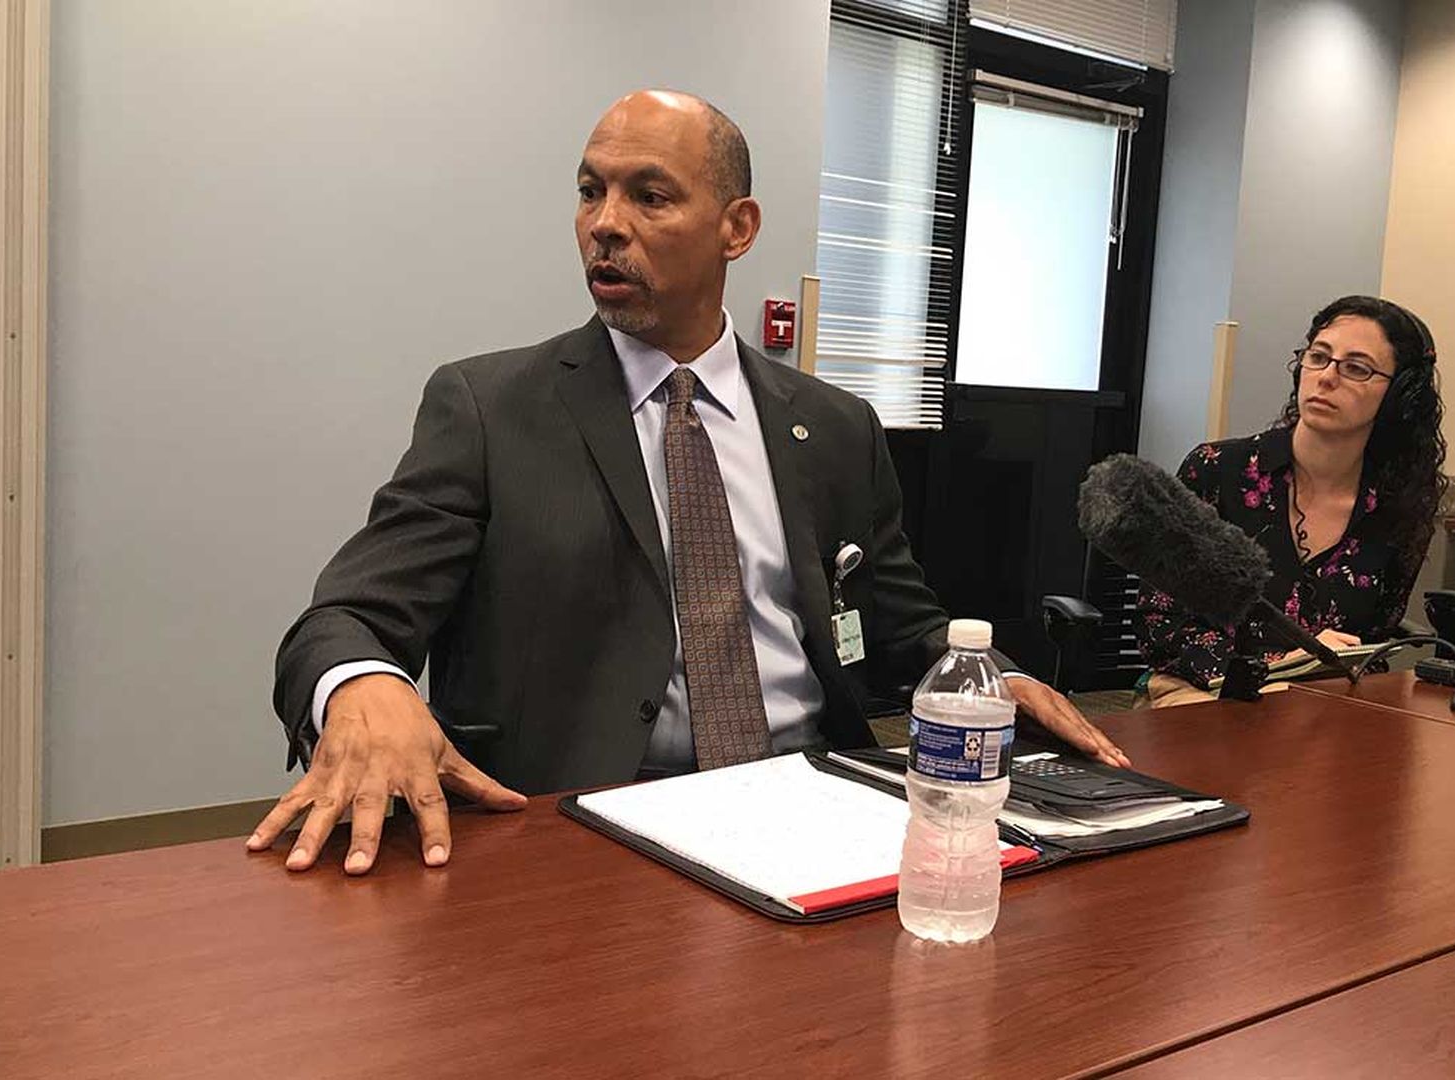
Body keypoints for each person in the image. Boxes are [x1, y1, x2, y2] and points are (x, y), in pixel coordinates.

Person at [250, 90, 1126, 876]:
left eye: (649, 196)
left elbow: (901, 625)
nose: (605, 223)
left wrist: (994, 679)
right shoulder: (489, 409)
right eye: (590, 191)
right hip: (585, 821)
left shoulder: (834, 425)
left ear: (736, 228)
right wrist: (362, 683)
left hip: (814, 800)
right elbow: (344, 620)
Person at [1137, 296, 1448, 707]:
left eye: (1356, 368)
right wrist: (1281, 666)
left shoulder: (1398, 505)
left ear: (1398, 396)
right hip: (1204, 692)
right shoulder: (1216, 470)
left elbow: (1373, 638)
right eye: (1318, 357)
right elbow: (1160, 623)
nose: (1326, 377)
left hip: (1321, 702)